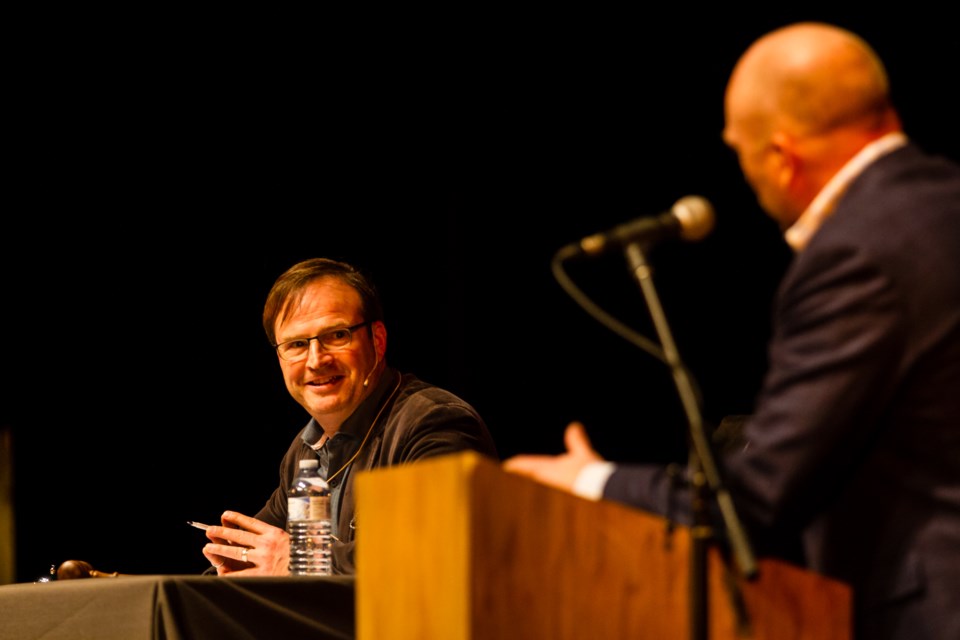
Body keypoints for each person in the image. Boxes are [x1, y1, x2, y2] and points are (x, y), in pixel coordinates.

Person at [503, 22, 960, 640]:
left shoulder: (855, 254)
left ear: (781, 156)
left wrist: (588, 481)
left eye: (739, 153)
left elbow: (758, 500)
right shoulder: (943, 206)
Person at [201, 257, 498, 575]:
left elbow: (432, 551)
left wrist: (299, 562)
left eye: (337, 336)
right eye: (297, 344)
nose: (316, 360)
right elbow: (259, 551)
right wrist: (219, 577)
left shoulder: (434, 424)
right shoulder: (304, 452)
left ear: (378, 341)